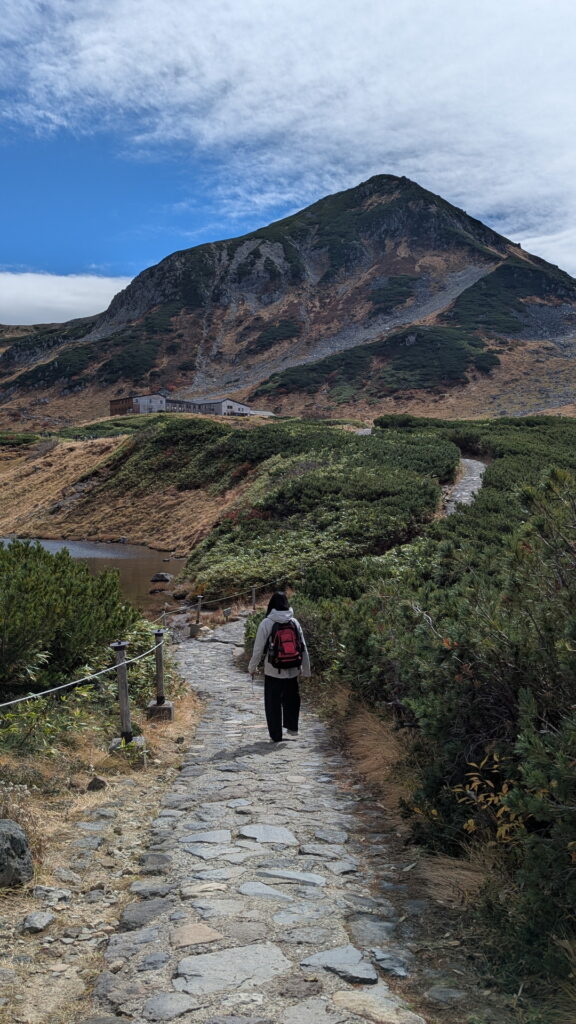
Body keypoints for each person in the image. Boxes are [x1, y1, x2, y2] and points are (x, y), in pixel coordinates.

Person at [248, 592, 311, 743]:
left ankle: (276, 735)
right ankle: (292, 728)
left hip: (273, 670)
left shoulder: (266, 623)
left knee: (272, 703)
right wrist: (306, 670)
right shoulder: (294, 622)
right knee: (292, 699)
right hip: (293, 669)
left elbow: (258, 650)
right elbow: (303, 647)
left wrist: (252, 667)